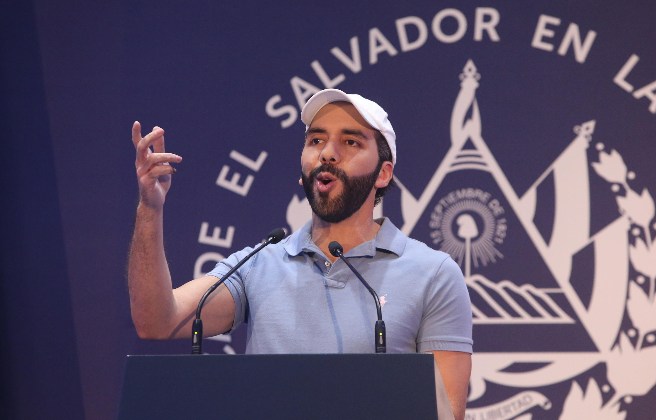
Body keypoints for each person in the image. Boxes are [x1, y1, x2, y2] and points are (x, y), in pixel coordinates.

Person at [128, 89, 473, 419]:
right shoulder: (258, 265)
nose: (327, 153)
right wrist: (150, 208)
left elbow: (446, 413)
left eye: (350, 142)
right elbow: (157, 320)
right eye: (316, 140)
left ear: (383, 173)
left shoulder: (434, 274)